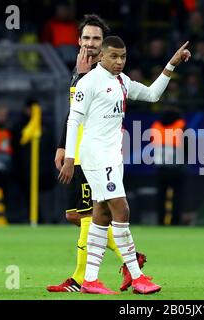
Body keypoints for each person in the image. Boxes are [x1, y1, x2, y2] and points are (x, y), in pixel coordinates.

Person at [59, 36, 191, 294]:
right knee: (122, 210)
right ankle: (137, 275)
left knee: (102, 215)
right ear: (102, 57)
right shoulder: (90, 82)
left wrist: (171, 65)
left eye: (123, 57)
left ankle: (90, 280)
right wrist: (69, 158)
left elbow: (152, 95)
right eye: (114, 57)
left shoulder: (122, 81)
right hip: (96, 156)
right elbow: (73, 121)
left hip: (112, 157)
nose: (119, 62)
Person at [47, 14, 147, 293]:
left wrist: (71, 152)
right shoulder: (81, 69)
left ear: (104, 46)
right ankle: (129, 260)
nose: (90, 44)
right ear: (79, 41)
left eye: (96, 39)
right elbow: (74, 115)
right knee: (77, 215)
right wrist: (62, 145)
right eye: (87, 38)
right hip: (77, 153)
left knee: (91, 214)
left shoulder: (100, 74)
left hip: (90, 155)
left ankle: (82, 278)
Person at [151, 106, 187, 225]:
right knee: (177, 196)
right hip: (177, 168)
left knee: (161, 196)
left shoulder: (156, 126)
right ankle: (175, 221)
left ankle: (161, 221)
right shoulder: (181, 125)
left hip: (160, 167)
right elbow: (187, 145)